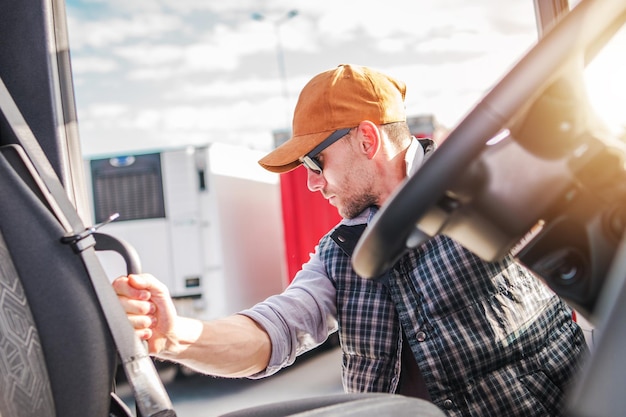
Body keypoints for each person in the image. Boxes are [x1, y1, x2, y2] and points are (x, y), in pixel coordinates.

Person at [113, 64, 589, 416]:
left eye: (315, 163)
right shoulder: (339, 253)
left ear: (366, 139)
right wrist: (177, 335)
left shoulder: (483, 186)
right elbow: (274, 329)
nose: (313, 184)